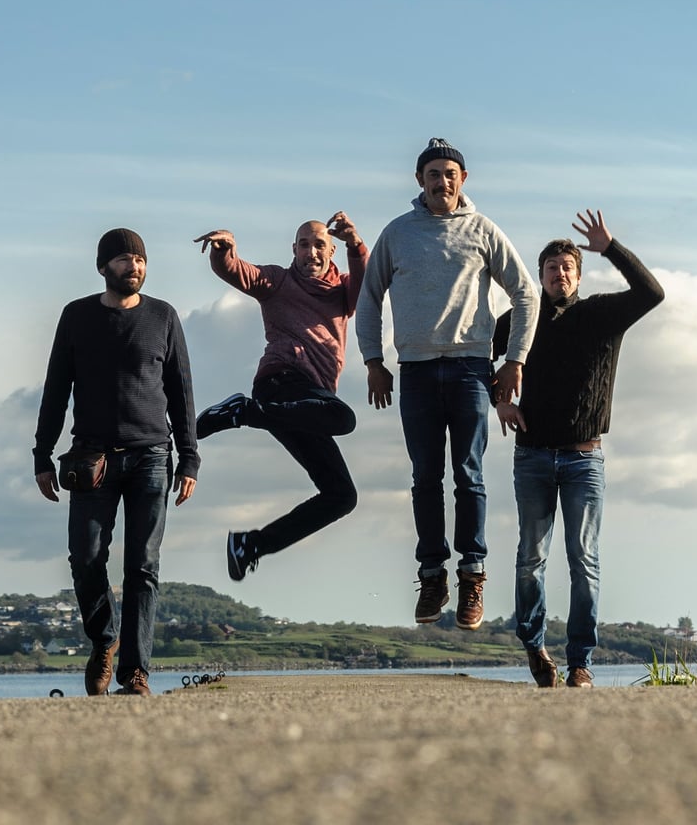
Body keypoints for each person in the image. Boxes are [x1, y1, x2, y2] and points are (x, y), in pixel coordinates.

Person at [355, 138, 539, 628]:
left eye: (450, 174)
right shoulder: (398, 233)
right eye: (433, 174)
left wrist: (515, 360)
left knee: (469, 474)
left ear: (463, 180)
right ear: (420, 180)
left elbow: (525, 293)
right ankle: (432, 575)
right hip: (415, 370)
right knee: (425, 477)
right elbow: (369, 298)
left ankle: (472, 574)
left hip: (470, 368)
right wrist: (373, 360)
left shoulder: (483, 230)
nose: (442, 182)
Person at [493, 209, 665, 688]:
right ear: (541, 275)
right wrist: (499, 400)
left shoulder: (601, 315)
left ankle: (580, 663)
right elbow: (477, 353)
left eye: (567, 267)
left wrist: (610, 247)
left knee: (583, 562)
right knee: (530, 560)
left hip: (584, 458)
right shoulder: (521, 319)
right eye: (551, 268)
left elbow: (652, 293)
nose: (560, 274)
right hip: (531, 456)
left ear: (578, 276)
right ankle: (534, 648)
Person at [33, 228, 199, 697]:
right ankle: (105, 639)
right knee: (85, 558)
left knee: (143, 566)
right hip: (92, 459)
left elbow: (182, 392)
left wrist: (189, 458)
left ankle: (136, 673)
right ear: (103, 266)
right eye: (125, 259)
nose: (135, 266)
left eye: (140, 259)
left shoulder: (163, 316)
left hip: (152, 457)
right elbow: (55, 388)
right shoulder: (77, 316)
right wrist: (42, 454)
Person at [193, 213, 367, 580]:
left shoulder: (342, 291)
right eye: (304, 245)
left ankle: (250, 545)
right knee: (343, 418)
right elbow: (238, 272)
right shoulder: (278, 281)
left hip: (306, 406)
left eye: (319, 245)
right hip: (280, 384)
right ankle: (246, 412)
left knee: (342, 496)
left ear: (331, 251)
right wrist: (223, 252)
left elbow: (368, 288)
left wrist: (355, 243)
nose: (311, 252)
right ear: (294, 250)